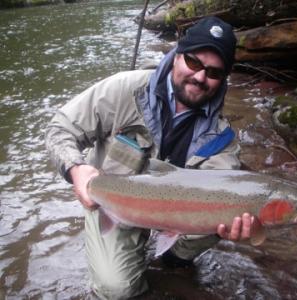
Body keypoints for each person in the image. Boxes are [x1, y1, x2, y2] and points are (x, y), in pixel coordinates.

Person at [45, 16, 253, 299]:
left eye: (214, 72)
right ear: (177, 56)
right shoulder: (123, 90)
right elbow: (60, 129)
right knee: (116, 290)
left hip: (178, 213)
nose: (200, 76)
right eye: (193, 63)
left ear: (223, 79)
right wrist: (76, 169)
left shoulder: (222, 138)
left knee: (226, 212)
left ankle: (173, 260)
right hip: (116, 203)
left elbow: (227, 193)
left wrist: (238, 224)